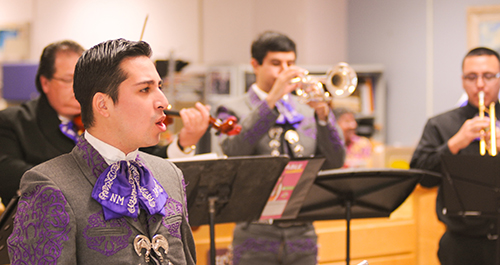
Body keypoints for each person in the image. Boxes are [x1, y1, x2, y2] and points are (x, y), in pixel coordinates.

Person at [7, 38, 196, 264]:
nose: (163, 101)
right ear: (103, 105)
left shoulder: (170, 175)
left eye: (160, 87)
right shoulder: (49, 186)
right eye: (145, 89)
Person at [0, 40, 210, 206]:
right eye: (68, 80)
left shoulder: (104, 115)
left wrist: (183, 144)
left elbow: (147, 161)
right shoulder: (13, 122)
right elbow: (11, 178)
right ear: (45, 82)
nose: (78, 88)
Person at [214, 31, 345, 265]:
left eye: (290, 63)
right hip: (254, 230)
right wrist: (271, 101)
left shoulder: (306, 110)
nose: (285, 71)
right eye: (276, 64)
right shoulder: (232, 108)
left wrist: (324, 115)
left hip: (302, 230)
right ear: (255, 65)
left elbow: (335, 161)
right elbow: (234, 151)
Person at [410, 47, 500, 265]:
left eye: (488, 76)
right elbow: (420, 177)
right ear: (462, 80)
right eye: (471, 77)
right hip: (460, 244)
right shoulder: (440, 125)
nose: (480, 84)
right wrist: (454, 144)